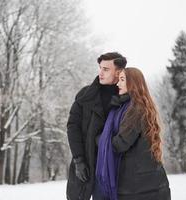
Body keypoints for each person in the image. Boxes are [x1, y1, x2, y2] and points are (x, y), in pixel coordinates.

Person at [94, 67, 171, 200]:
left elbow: (120, 144)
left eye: (122, 80)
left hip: (140, 188)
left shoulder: (136, 109)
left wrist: (98, 138)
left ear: (133, 83)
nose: (118, 83)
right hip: (145, 185)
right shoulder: (132, 107)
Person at [66, 52, 127, 200]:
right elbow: (72, 127)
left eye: (106, 69)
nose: (100, 73)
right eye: (100, 68)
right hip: (86, 163)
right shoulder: (85, 95)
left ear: (118, 72)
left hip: (115, 168)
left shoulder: (126, 98)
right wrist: (79, 159)